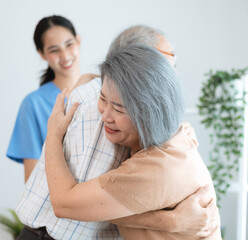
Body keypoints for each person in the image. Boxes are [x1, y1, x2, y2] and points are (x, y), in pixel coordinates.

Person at [15, 25, 219, 239]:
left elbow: (68, 205)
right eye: (102, 99)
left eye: (119, 108)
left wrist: (54, 132)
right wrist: (171, 220)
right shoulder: (175, 136)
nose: (105, 115)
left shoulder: (156, 166)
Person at [7, 15, 82, 182]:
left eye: (69, 44)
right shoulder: (33, 104)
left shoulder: (102, 92)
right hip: (59, 204)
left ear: (78, 41)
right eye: (54, 50)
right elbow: (32, 181)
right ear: (42, 54)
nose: (64, 55)